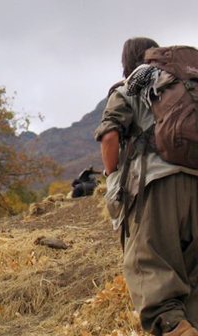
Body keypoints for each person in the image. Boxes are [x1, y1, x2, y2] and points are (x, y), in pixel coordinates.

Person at [95, 37, 198, 335]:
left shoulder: (132, 85)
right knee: (193, 287)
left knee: (155, 280)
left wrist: (112, 176)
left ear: (126, 62)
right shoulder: (184, 87)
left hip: (157, 189)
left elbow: (110, 136)